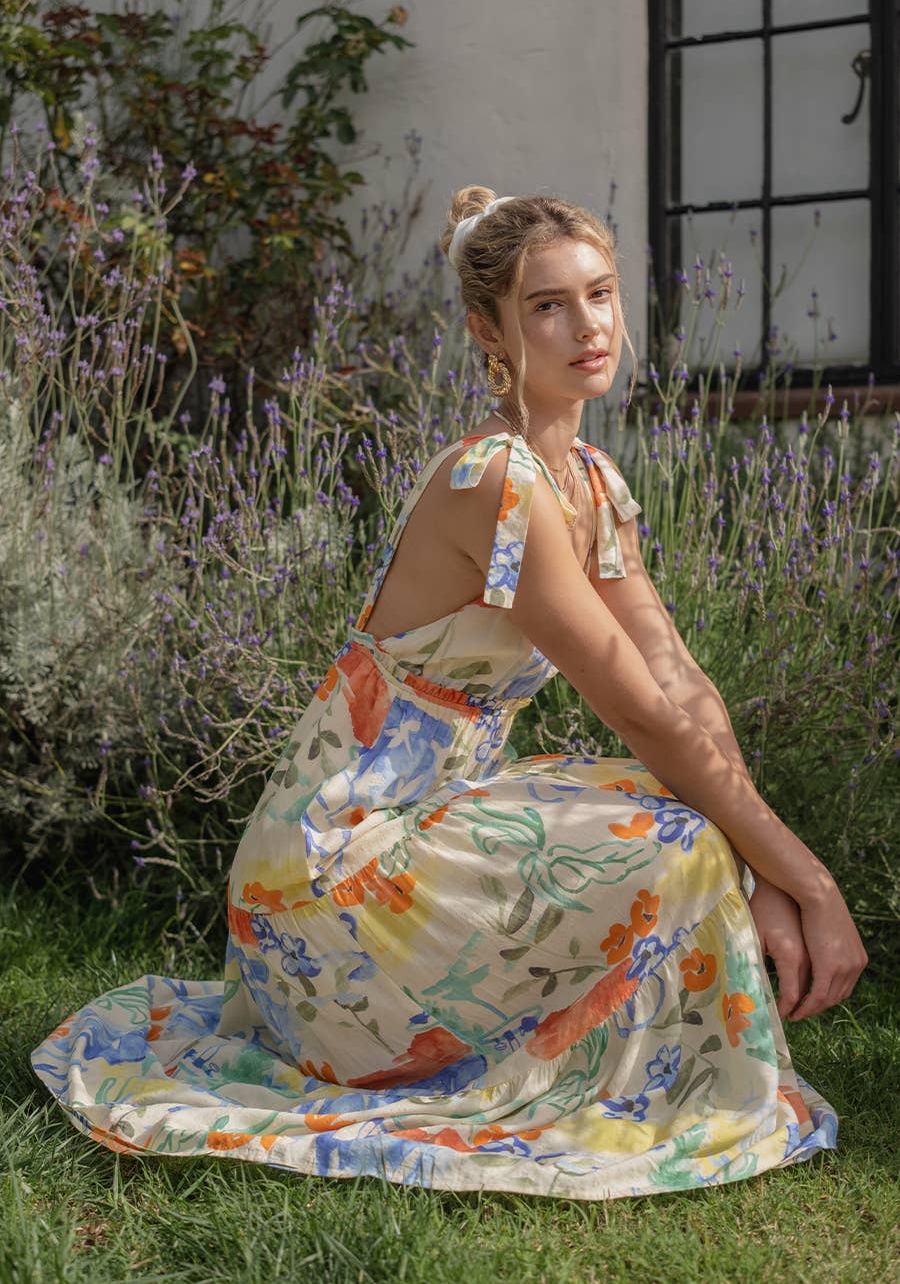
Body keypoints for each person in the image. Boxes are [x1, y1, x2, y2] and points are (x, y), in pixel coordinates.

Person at [32, 187, 867, 1200]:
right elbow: (641, 711)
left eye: (600, 293)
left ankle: (648, 1076)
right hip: (330, 876)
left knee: (674, 805)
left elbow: (678, 678)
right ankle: (634, 1090)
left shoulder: (589, 478)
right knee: (679, 834)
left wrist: (769, 868)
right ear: (489, 331)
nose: (589, 325)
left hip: (429, 823)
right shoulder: (494, 481)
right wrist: (809, 879)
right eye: (548, 305)